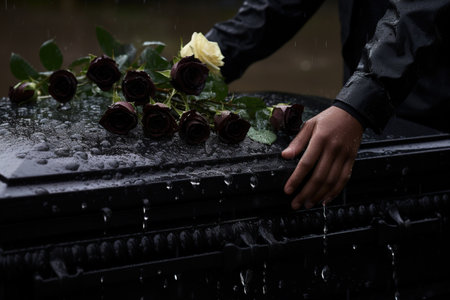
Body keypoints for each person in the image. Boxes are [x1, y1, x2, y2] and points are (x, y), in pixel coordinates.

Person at [205, 0, 450, 210]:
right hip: (359, 110)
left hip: (433, 114)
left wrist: (357, 103)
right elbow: (278, 8)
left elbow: (420, 11)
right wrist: (199, 63)